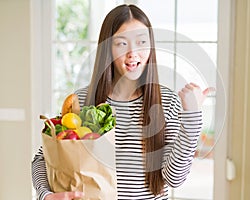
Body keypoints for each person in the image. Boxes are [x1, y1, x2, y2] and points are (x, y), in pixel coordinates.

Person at [32, 4, 210, 200]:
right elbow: (42, 158)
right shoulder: (81, 101)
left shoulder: (167, 102)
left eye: (142, 42)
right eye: (122, 44)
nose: (133, 53)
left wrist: (192, 116)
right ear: (107, 47)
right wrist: (46, 195)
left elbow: (174, 178)